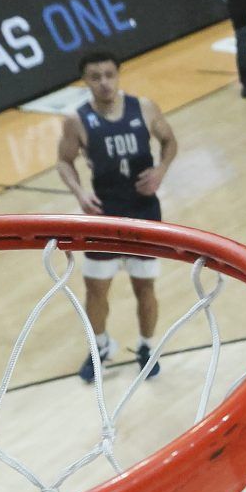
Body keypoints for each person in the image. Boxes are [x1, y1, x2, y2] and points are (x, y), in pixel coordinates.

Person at [53, 51, 176, 384]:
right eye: (95, 77)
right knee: (96, 290)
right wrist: (79, 192)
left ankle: (147, 347)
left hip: (143, 211)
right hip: (103, 214)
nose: (104, 82)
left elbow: (169, 141)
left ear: (118, 75)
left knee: (145, 287)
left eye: (109, 75)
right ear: (85, 81)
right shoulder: (77, 120)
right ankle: (101, 348)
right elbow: (64, 161)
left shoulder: (145, 107)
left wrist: (161, 170)